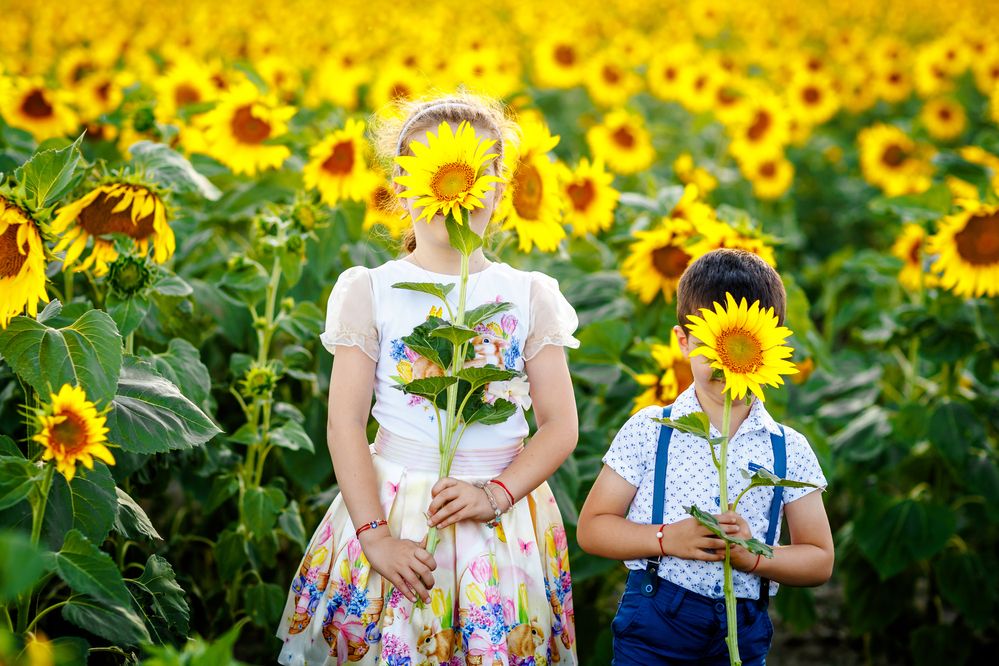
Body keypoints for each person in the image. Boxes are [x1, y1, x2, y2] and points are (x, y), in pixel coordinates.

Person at [275, 93, 580, 666]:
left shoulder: (528, 294)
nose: (459, 192)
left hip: (501, 513)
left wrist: (495, 494)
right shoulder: (372, 290)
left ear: (501, 186)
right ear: (402, 183)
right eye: (435, 172)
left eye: (478, 173)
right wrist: (375, 537)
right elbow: (344, 422)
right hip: (393, 513)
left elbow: (561, 426)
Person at [576, 249, 834, 665]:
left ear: (772, 346)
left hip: (741, 631)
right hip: (656, 623)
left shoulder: (788, 448)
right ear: (682, 341)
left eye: (742, 346)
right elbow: (592, 528)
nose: (724, 363)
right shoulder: (650, 429)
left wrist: (754, 556)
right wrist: (664, 539)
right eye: (710, 346)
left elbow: (819, 559)